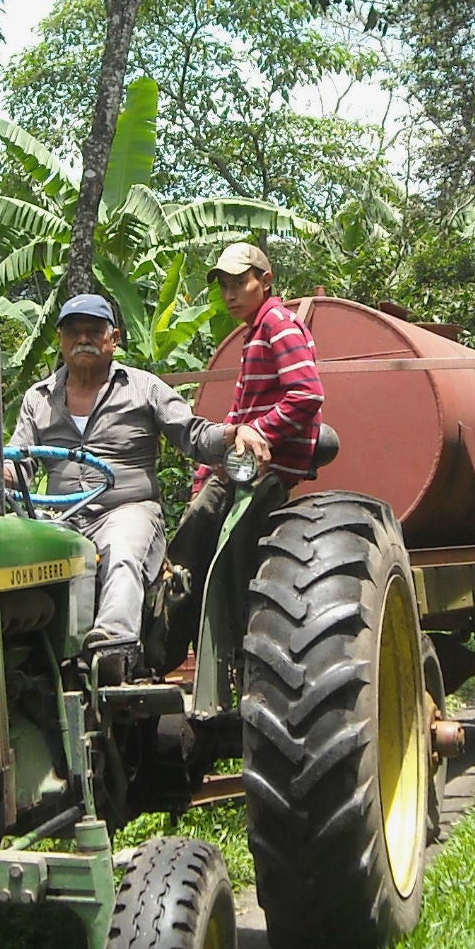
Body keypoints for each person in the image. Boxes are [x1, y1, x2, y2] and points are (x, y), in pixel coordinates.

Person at [6, 294, 232, 680]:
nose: (83, 339)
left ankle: (113, 649)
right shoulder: (38, 398)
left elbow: (192, 433)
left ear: (114, 338)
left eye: (94, 331)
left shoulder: (143, 387)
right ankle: (25, 655)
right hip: (60, 516)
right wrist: (5, 472)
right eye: (73, 331)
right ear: (60, 339)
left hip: (127, 509)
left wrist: (231, 435)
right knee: (15, 550)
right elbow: (20, 461)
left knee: (122, 550)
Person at [165, 243, 325, 656]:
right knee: (194, 531)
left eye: (239, 283)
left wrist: (259, 433)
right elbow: (238, 417)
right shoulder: (255, 332)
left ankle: (188, 648)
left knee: (215, 555)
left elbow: (307, 394)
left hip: (263, 471)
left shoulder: (278, 324)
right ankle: (184, 647)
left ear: (265, 281)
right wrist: (204, 474)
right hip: (241, 467)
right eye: (224, 286)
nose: (230, 294)